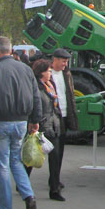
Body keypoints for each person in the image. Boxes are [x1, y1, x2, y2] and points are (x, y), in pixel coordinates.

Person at [0, 36, 42, 209]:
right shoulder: (26, 70)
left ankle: (6, 208)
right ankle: (28, 195)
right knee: (16, 160)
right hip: (21, 121)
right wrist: (35, 119)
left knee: (2, 165)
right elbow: (35, 96)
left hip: (0, 121)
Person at [26, 59, 63, 201]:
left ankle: (54, 189)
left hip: (53, 125)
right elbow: (33, 106)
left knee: (54, 157)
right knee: (33, 156)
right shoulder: (35, 87)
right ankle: (22, 180)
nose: (50, 73)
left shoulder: (50, 85)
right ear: (41, 72)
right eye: (48, 71)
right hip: (41, 126)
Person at [49, 48, 78, 193]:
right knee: (45, 150)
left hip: (64, 116)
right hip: (50, 117)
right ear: (55, 60)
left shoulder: (67, 74)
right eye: (63, 61)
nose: (65, 64)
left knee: (59, 151)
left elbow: (70, 95)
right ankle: (25, 176)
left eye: (66, 62)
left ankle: (54, 179)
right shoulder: (46, 74)